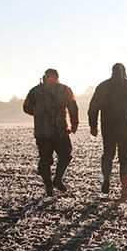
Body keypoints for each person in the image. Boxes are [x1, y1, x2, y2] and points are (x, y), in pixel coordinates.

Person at [88, 63, 127, 201]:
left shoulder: (103, 86)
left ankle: (106, 178)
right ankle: (124, 188)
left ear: (112, 72)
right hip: (125, 127)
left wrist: (93, 126)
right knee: (125, 159)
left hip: (108, 127)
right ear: (124, 72)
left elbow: (93, 108)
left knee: (108, 154)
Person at [23, 68, 79, 196]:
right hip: (60, 131)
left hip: (42, 133)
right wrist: (74, 123)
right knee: (65, 154)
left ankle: (48, 187)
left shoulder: (34, 91)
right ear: (57, 77)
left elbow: (26, 108)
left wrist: (39, 113)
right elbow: (73, 106)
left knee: (44, 160)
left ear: (44, 77)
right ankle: (58, 179)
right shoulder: (64, 89)